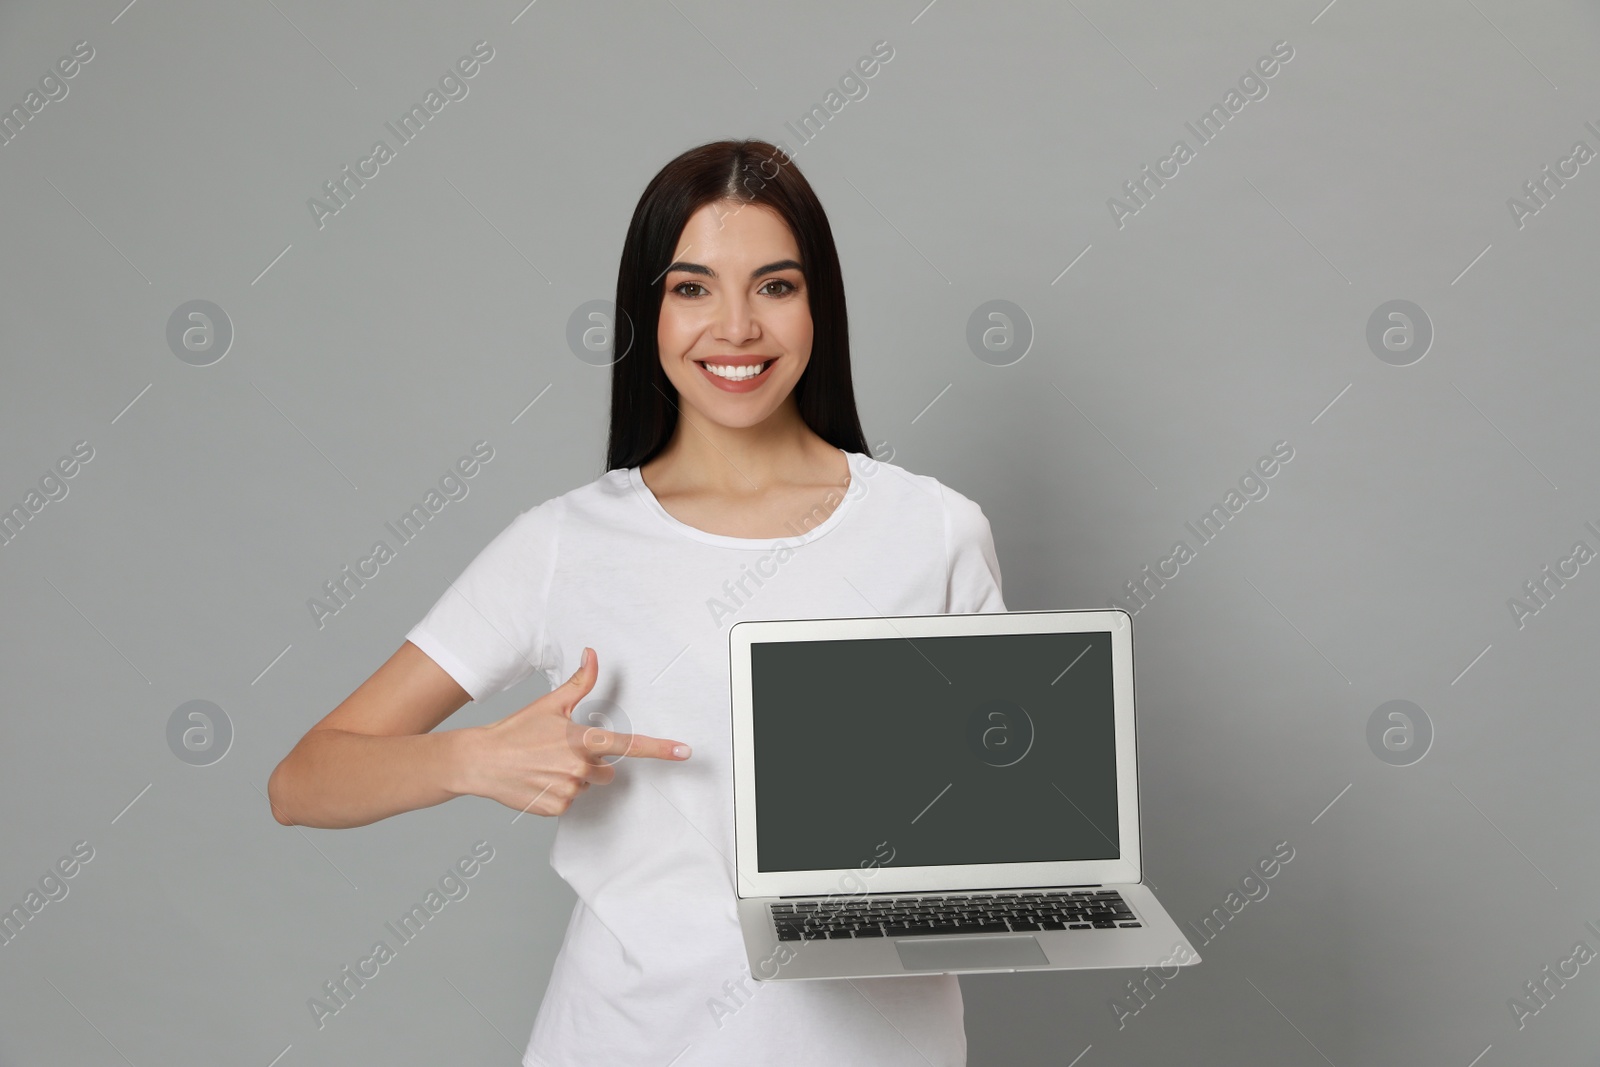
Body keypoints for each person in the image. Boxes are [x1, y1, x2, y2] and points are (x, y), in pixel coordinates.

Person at [267, 138, 1006, 1066]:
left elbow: (997, 811)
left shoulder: (932, 531)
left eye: (775, 286)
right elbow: (301, 780)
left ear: (820, 306)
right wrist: (473, 760)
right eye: (692, 288)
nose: (735, 327)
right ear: (646, 311)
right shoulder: (565, 545)